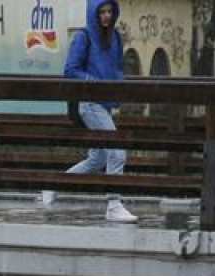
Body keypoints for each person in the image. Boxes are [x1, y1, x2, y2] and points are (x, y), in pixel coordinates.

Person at [41, 0, 137, 223]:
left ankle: (53, 185)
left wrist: (117, 91)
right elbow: (70, 70)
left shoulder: (115, 37)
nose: (106, 16)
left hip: (105, 103)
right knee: (117, 151)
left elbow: (117, 69)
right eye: (101, 12)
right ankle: (114, 205)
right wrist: (93, 82)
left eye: (109, 11)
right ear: (93, 13)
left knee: (97, 158)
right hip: (89, 104)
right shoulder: (83, 37)